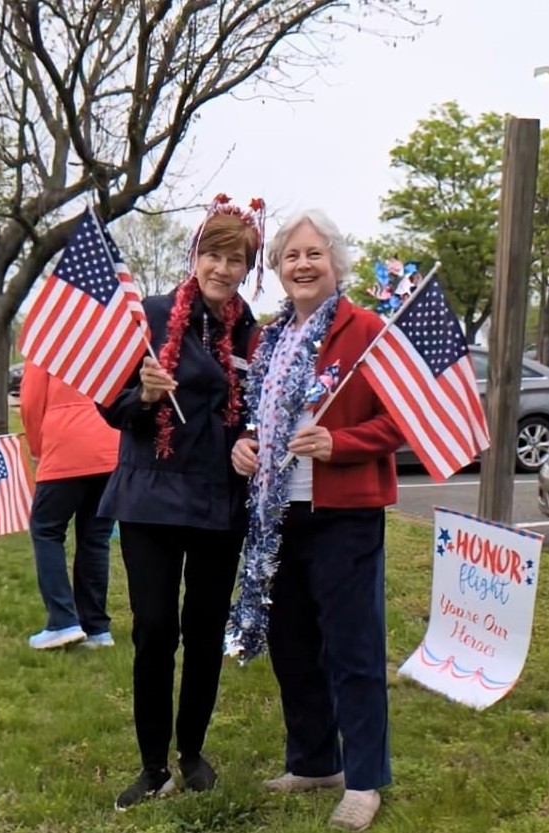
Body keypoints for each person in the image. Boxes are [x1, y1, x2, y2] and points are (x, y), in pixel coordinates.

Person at [229, 209, 406, 832]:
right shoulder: (268, 340)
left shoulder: (368, 331)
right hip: (277, 515)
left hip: (344, 514)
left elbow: (400, 420)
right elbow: (258, 417)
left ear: (336, 262)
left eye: (313, 254)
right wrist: (245, 445)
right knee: (293, 644)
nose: (302, 265)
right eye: (291, 256)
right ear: (278, 269)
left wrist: (340, 443)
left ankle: (364, 779)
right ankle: (313, 761)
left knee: (353, 649)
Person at [97, 194, 264, 811]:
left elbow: (256, 411)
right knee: (155, 630)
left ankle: (191, 752)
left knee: (204, 629)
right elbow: (109, 405)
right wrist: (143, 396)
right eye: (214, 255)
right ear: (196, 256)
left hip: (219, 502)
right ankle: (152, 766)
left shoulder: (251, 332)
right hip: (151, 497)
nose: (223, 268)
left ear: (247, 268)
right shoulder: (151, 316)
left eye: (236, 259)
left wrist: (249, 440)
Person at [20, 360, 120, 650]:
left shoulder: (47, 342)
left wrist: (37, 448)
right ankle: (97, 628)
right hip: (110, 443)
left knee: (46, 529)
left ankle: (62, 621)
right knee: (96, 538)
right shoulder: (108, 338)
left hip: (65, 443)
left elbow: (31, 401)